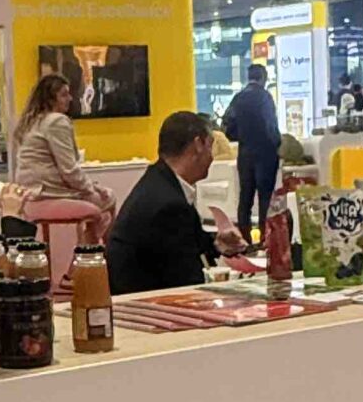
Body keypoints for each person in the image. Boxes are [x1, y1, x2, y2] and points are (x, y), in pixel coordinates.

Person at [105, 110, 244, 295]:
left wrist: (217, 245)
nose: (212, 157)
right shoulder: (169, 205)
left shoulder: (158, 182)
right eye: (210, 146)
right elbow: (188, 282)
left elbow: (182, 244)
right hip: (147, 303)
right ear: (198, 145)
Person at [11, 73, 111, 212]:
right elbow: (69, 170)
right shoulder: (56, 121)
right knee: (108, 198)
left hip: (28, 192)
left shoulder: (31, 122)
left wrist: (93, 186)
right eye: (64, 95)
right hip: (49, 192)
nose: (70, 98)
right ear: (50, 100)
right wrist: (91, 189)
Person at [221, 61, 281, 240]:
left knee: (245, 197)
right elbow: (270, 125)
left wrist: (240, 136)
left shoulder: (238, 98)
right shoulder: (265, 97)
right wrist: (277, 143)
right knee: (265, 198)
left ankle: (244, 239)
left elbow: (227, 124)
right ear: (264, 78)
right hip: (265, 153)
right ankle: (265, 238)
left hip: (245, 153)